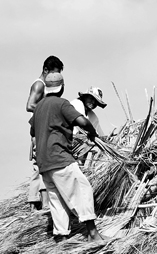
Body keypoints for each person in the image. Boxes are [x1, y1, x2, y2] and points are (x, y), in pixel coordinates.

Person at [30, 71, 105, 243]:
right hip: (59, 157)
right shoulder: (62, 104)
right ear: (62, 87)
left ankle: (61, 236)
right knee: (83, 188)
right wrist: (92, 133)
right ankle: (93, 234)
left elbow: (32, 131)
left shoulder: (39, 107)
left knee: (57, 200)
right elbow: (83, 122)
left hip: (44, 164)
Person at [25, 56, 63, 211]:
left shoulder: (44, 85)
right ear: (45, 70)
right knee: (43, 165)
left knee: (38, 166)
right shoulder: (39, 85)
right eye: (52, 74)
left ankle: (33, 203)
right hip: (40, 130)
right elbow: (29, 105)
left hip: (39, 129)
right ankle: (44, 202)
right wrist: (47, 110)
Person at [70, 86, 108, 167]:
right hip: (68, 140)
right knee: (90, 140)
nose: (93, 102)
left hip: (79, 144)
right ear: (85, 96)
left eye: (96, 102)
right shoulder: (77, 104)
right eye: (91, 98)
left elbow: (100, 135)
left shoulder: (92, 115)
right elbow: (83, 125)